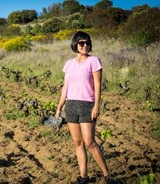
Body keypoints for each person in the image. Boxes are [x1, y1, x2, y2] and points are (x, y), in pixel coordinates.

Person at [55, 31, 110, 184]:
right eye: (81, 43)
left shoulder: (94, 61)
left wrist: (96, 106)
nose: (85, 45)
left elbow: (98, 86)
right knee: (77, 143)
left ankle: (108, 177)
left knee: (90, 142)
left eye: (87, 43)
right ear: (75, 44)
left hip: (87, 105)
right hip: (71, 105)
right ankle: (83, 177)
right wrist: (60, 106)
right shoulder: (69, 64)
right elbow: (65, 87)